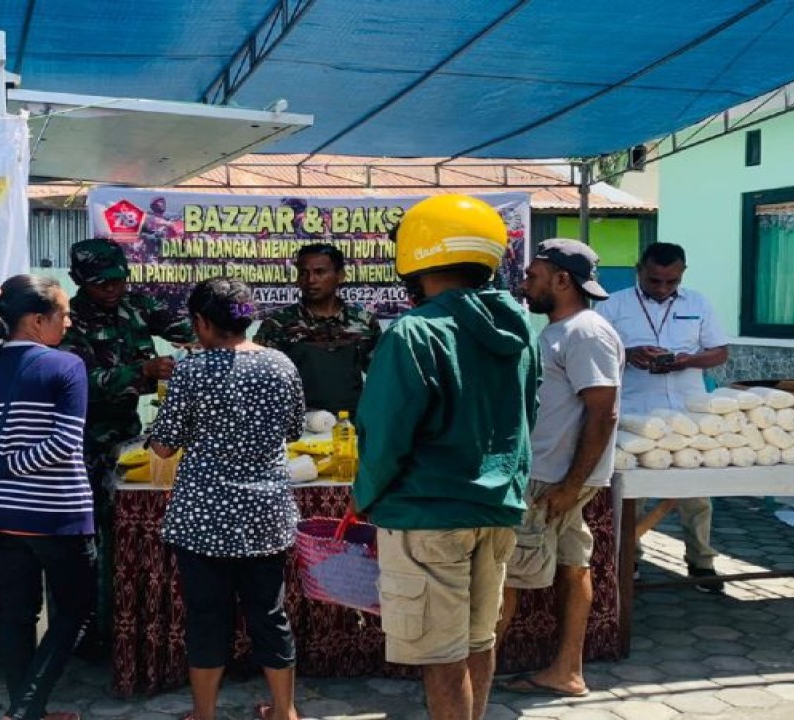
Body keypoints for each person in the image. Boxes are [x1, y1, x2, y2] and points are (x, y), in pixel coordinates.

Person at [352, 194, 540, 720]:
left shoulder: (415, 333)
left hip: (427, 517)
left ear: (417, 255)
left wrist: (364, 496)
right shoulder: (522, 334)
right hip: (496, 513)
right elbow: (529, 417)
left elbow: (385, 436)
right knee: (478, 642)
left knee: (441, 655)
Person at [147, 277, 305, 720]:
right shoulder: (281, 365)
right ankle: (284, 711)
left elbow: (163, 446)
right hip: (265, 516)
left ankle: (204, 714)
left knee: (207, 619)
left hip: (203, 518)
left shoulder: (192, 370)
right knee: (270, 615)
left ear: (201, 322)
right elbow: (293, 430)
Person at [0, 274, 94, 720]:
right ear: (35, 320)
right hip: (59, 516)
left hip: (3, 518)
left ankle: (27, 709)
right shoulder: (67, 367)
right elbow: (65, 444)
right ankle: (26, 711)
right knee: (76, 613)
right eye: (62, 313)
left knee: (17, 617)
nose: (68, 321)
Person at [495, 240, 623, 699]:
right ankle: (566, 671)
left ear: (562, 280)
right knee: (573, 566)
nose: (525, 285)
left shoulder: (584, 332)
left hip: (552, 477)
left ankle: (472, 684)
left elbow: (603, 411)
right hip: (557, 474)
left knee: (504, 577)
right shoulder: (559, 331)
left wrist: (570, 485)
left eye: (532, 276)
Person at [59, 238, 194, 656]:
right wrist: (143, 370)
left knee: (133, 534)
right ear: (81, 281)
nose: (113, 290)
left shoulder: (137, 305)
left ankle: (139, 622)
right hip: (82, 445)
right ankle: (94, 632)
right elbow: (79, 382)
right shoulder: (68, 320)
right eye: (102, 284)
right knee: (90, 542)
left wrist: (216, 343)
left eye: (119, 280)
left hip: (128, 439)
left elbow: (191, 330)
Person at [596, 242, 730, 593]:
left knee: (696, 493)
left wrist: (685, 360)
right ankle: (631, 559)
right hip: (635, 414)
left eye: (671, 282)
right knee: (630, 493)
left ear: (682, 273)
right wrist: (629, 354)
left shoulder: (698, 303)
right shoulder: (613, 305)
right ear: (639, 269)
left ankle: (701, 562)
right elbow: (597, 352)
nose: (662, 288)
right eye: (654, 281)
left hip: (687, 412)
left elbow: (719, 352)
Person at [253, 243, 382, 416]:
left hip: (351, 427)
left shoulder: (364, 321)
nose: (310, 280)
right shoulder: (278, 324)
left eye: (320, 272)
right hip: (299, 428)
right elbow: (260, 380)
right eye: (304, 273)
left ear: (340, 275)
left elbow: (381, 375)